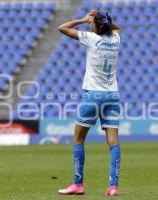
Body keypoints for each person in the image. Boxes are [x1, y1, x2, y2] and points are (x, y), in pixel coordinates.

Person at [57, 9, 122, 196]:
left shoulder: (91, 38)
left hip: (93, 94)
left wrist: (84, 19)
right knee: (113, 142)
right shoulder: (116, 39)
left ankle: (78, 184)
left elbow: (62, 28)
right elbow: (117, 28)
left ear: (96, 26)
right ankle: (113, 186)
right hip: (112, 95)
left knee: (78, 138)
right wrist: (104, 20)